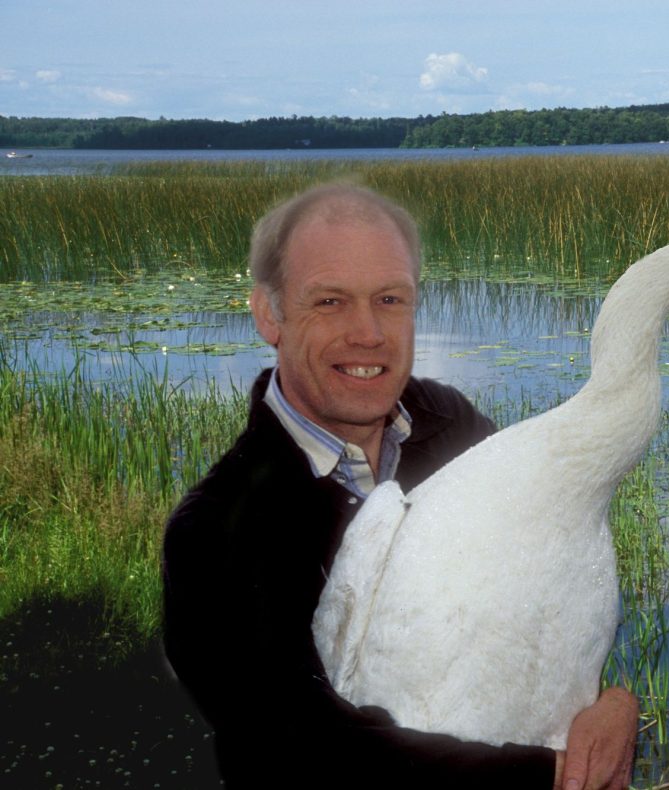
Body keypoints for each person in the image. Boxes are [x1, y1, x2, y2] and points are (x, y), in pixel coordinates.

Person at [162, 182, 639, 787]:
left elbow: (548, 603)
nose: (368, 333)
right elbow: (297, 747)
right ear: (268, 315)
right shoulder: (218, 529)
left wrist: (618, 703)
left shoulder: (454, 427)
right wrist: (547, 775)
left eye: (390, 299)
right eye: (329, 302)